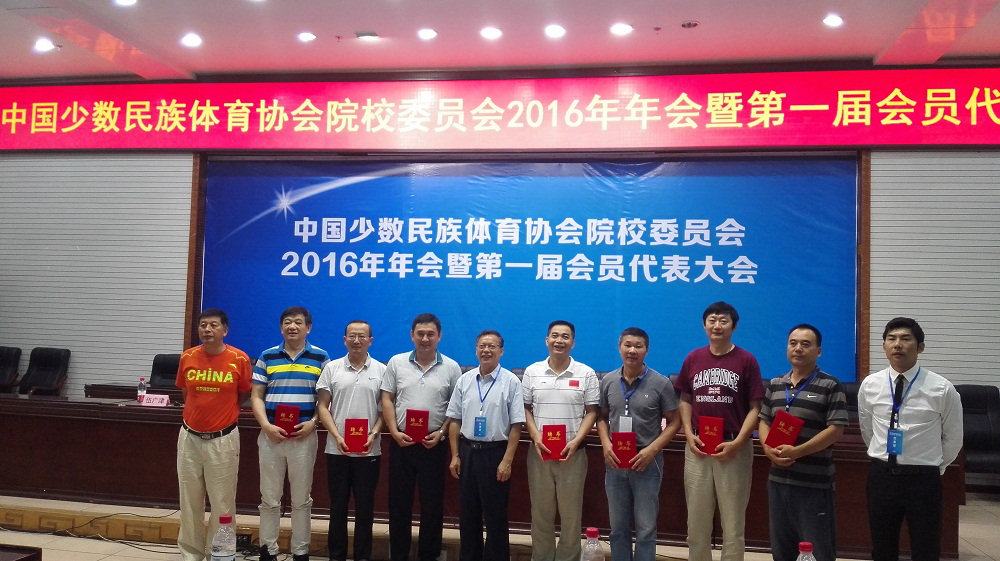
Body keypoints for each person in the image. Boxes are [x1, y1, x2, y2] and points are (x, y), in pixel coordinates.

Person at [858, 317, 963, 561]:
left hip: (923, 480)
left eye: (906, 339)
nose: (898, 344)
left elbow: (953, 437)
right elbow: (867, 429)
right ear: (884, 346)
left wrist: (934, 466)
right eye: (891, 339)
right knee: (882, 547)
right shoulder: (870, 384)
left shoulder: (941, 388)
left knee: (926, 547)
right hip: (882, 477)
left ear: (920, 347)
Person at [674, 301, 763, 561]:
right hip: (698, 447)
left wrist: (738, 443)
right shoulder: (693, 358)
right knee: (696, 523)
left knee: (733, 525)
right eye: (712, 320)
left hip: (734, 448)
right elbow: (685, 399)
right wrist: (688, 433)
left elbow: (756, 408)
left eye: (723, 321)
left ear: (734, 327)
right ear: (704, 325)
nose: (717, 325)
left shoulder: (747, 360)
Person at [758, 324, 848, 561]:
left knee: (817, 551)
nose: (798, 348)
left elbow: (835, 430)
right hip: (778, 481)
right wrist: (767, 448)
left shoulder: (831, 385)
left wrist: (797, 452)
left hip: (813, 485)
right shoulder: (776, 383)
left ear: (818, 351)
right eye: (793, 343)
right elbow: (764, 421)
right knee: (782, 550)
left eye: (805, 344)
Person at [251, 306, 331, 561]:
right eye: (287, 322)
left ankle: (300, 551)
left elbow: (326, 400)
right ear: (281, 327)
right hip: (270, 437)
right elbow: (256, 396)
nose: (292, 326)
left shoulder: (321, 357)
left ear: (308, 327)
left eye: (298, 322)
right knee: (269, 498)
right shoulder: (267, 356)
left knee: (301, 499)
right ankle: (268, 550)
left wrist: (314, 423)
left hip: (303, 438)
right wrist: (266, 426)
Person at [380, 313, 462, 561]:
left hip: (433, 443)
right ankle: (399, 555)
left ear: (439, 336)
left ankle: (429, 555)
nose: (425, 339)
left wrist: (441, 432)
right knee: (399, 503)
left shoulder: (451, 367)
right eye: (420, 334)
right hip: (402, 441)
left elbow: (456, 408)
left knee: (432, 504)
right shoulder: (396, 362)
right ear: (412, 335)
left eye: (430, 334)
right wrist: (394, 432)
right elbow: (387, 398)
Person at [175, 308, 253, 561]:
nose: (207, 329)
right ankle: (191, 554)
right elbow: (187, 393)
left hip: (223, 439)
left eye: (213, 325)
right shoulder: (188, 357)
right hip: (189, 437)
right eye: (203, 325)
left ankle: (220, 553)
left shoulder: (239, 359)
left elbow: (243, 394)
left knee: (222, 501)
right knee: (189, 500)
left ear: (225, 330)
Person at [597, 327, 680, 561]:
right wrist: (605, 444)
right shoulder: (608, 381)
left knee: (645, 528)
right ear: (619, 347)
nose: (632, 350)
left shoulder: (660, 383)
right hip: (615, 461)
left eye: (638, 346)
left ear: (646, 350)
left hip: (647, 461)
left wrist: (652, 450)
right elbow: (601, 417)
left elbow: (675, 422)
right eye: (627, 345)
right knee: (618, 528)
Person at [522, 320, 599, 561]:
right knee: (541, 514)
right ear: (547, 340)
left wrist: (576, 441)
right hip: (539, 454)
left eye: (565, 337)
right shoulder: (532, 371)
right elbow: (525, 409)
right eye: (554, 336)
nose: (559, 341)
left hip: (573, 455)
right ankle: (542, 557)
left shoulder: (586, 373)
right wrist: (535, 436)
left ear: (573, 343)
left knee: (571, 515)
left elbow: (592, 412)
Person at [446, 330, 525, 561]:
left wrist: (507, 461)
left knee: (495, 516)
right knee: (468, 514)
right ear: (476, 350)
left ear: (501, 351)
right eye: (482, 346)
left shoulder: (511, 382)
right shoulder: (465, 380)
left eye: (492, 346)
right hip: (468, 452)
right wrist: (455, 455)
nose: (486, 350)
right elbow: (455, 420)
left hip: (495, 454)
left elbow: (516, 425)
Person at [316, 320, 386, 561]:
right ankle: (336, 556)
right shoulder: (332, 368)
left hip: (369, 451)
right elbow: (322, 406)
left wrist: (374, 434)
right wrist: (337, 436)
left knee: (365, 508)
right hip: (337, 450)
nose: (357, 341)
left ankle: (362, 556)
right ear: (344, 339)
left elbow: (385, 410)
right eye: (352, 336)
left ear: (370, 341)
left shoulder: (382, 370)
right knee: (337, 507)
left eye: (362, 336)